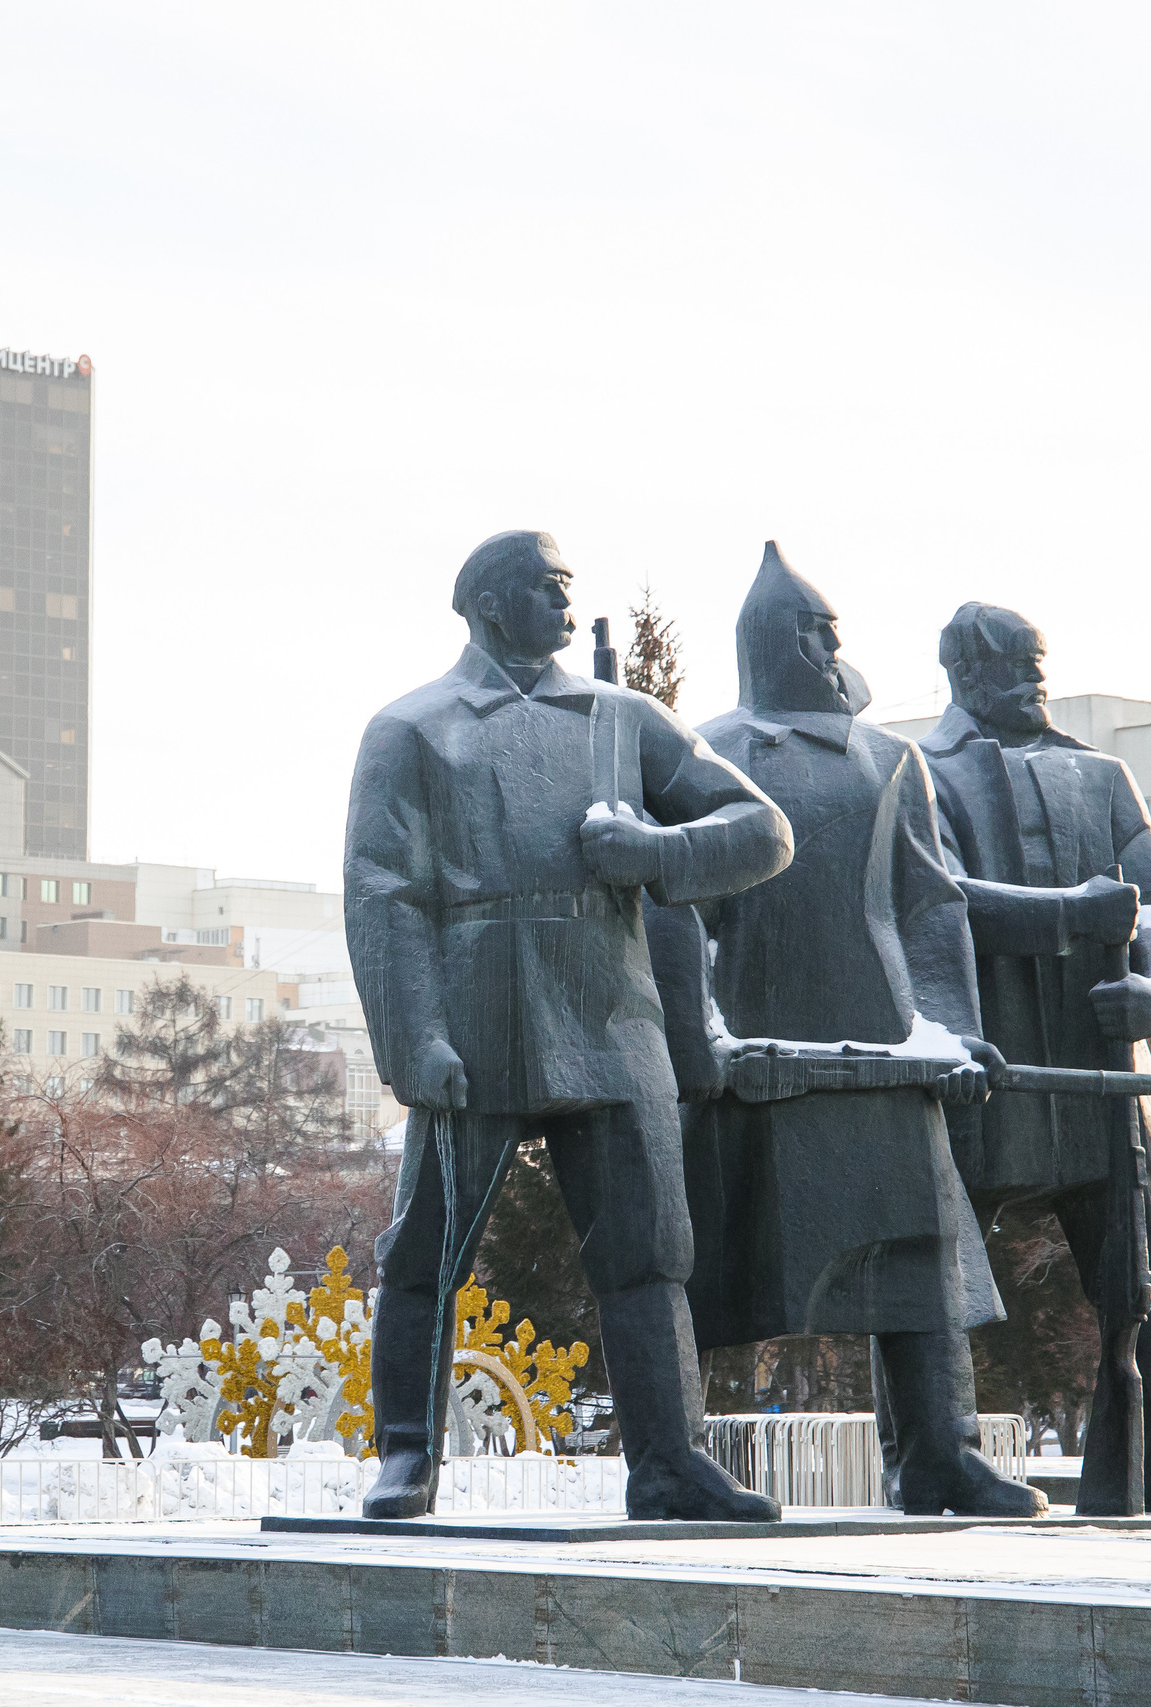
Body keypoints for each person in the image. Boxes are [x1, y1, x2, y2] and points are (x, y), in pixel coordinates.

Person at [345, 529, 796, 1522]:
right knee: (427, 1248)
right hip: (475, 1016)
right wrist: (412, 1040)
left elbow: (761, 830)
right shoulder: (414, 728)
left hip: (609, 1010)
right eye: (546, 588)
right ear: (489, 602)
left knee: (648, 1250)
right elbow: (383, 899)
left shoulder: (622, 720)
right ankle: (408, 1455)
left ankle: (669, 1461)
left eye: (565, 589)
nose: (561, 604)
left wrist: (654, 851)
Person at [654, 543, 1047, 1517]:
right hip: (754, 1060)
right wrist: (696, 1036)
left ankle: (936, 1453)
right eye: (817, 631)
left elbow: (929, 906)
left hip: (884, 1047)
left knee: (917, 1257)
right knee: (710, 1258)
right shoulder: (706, 753)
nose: (833, 646)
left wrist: (948, 1030)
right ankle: (673, 1460)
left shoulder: (889, 759)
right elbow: (669, 909)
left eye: (833, 631)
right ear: (778, 642)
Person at [917, 601, 1151, 1514]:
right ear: (963, 673)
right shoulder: (919, 774)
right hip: (988, 1065)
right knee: (938, 1263)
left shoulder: (1101, 774)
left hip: (1105, 1066)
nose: (1035, 677)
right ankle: (935, 1453)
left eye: (1041, 660)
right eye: (1014, 663)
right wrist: (1073, 913)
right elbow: (940, 900)